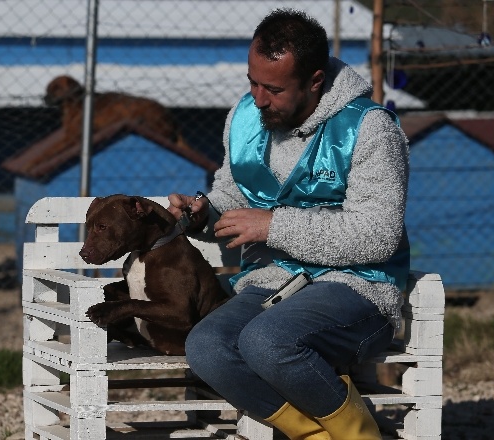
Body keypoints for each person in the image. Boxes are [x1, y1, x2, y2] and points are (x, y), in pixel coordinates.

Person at [168, 8, 409, 440]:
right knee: (207, 347)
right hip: (273, 281)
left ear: (315, 81)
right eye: (252, 82)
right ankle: (317, 436)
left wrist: (273, 227)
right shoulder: (245, 118)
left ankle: (362, 436)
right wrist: (204, 212)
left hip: (358, 286)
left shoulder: (369, 129)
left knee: (267, 341)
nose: (258, 98)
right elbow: (234, 195)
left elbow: (378, 236)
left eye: (274, 89)